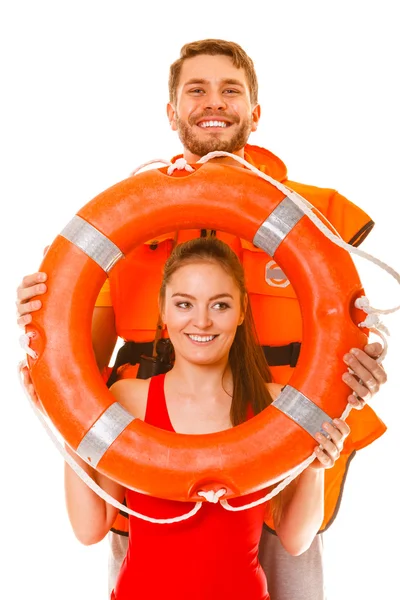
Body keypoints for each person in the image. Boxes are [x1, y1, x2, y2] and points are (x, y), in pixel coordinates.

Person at [17, 39, 387, 600]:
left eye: (230, 90)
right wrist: (39, 321)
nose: (213, 102)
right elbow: (77, 367)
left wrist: (362, 374)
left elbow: (348, 335)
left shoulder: (316, 220)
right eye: (196, 89)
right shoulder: (120, 222)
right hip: (147, 466)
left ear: (254, 111)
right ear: (172, 111)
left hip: (281, 464)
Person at [65, 236, 358, 600]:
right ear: (164, 311)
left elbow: (295, 539)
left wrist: (316, 468)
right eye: (184, 304)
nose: (201, 321)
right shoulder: (129, 401)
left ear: (242, 310)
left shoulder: (273, 404)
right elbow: (89, 528)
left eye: (219, 305)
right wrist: (68, 424)